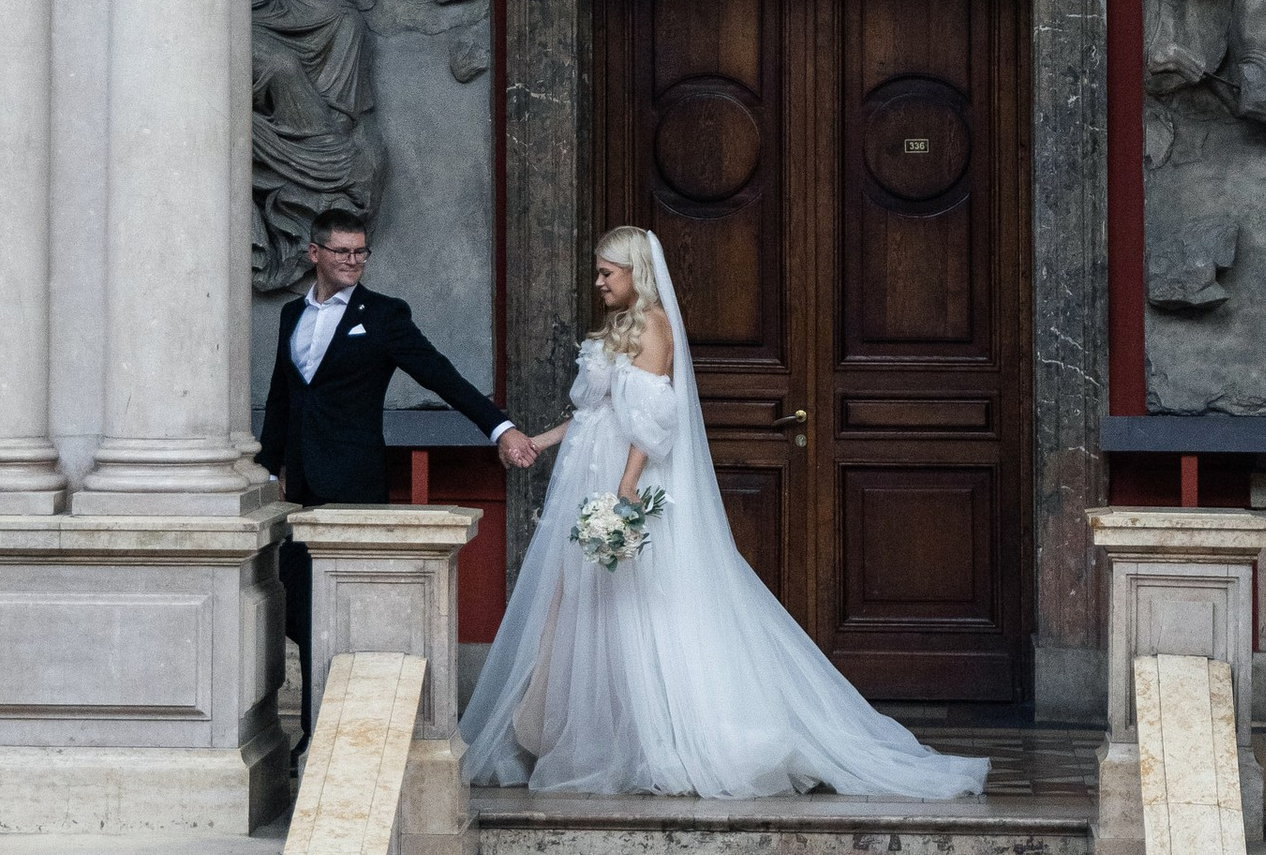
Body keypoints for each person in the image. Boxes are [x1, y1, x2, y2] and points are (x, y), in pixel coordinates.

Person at [462, 223, 990, 801]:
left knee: (644, 604)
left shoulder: (654, 327)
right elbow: (598, 412)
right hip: (591, 471)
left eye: (607, 273)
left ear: (635, 273)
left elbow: (651, 421)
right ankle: (597, 730)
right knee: (591, 602)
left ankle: (667, 733)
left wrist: (626, 488)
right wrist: (538, 442)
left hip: (621, 477)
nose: (599, 283)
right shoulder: (621, 326)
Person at [258, 214, 521, 730]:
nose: (353, 261)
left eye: (361, 252)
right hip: (300, 488)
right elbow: (282, 396)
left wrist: (499, 428)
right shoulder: (292, 314)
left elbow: (440, 374)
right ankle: (321, 727)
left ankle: (323, 733)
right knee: (298, 607)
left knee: (336, 610)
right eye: (342, 252)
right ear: (315, 254)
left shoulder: (382, 314)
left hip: (354, 484)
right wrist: (269, 472)